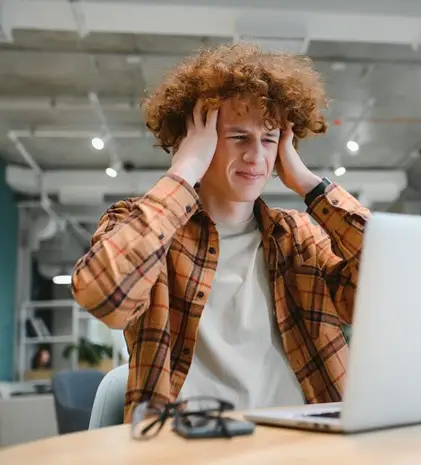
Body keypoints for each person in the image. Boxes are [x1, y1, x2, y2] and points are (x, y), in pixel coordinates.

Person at [71, 43, 370, 423]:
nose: (256, 156)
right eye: (238, 137)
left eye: (269, 138)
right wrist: (186, 167)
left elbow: (391, 281)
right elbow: (105, 297)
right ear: (198, 139)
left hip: (302, 442)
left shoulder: (298, 238)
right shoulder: (144, 226)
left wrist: (310, 185)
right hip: (190, 446)